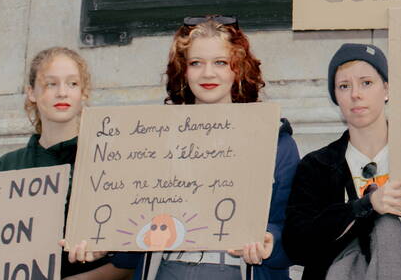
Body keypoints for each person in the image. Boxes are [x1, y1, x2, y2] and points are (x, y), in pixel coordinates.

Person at [99, 16, 299, 280]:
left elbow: (295, 232)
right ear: (183, 71)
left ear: (238, 68)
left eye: (220, 62)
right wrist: (100, 241)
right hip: (167, 270)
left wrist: (270, 239)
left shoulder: (276, 141)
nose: (208, 73)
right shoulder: (152, 141)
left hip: (240, 272)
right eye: (196, 63)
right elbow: (130, 244)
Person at [284, 44, 401, 280]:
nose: (355, 94)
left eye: (366, 83)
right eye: (344, 86)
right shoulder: (317, 165)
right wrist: (366, 205)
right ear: (335, 97)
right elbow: (296, 246)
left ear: (387, 89)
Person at [0, 47, 130, 280]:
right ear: (31, 93)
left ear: (84, 93)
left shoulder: (112, 162)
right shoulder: (6, 167)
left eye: (73, 84)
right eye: (51, 84)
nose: (62, 93)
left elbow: (136, 254)